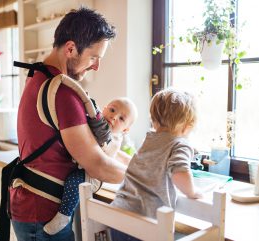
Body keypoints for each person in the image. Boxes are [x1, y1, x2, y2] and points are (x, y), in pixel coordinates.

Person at [11, 7, 127, 241]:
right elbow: (97, 165)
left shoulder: (38, 74)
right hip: (43, 215)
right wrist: (143, 177)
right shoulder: (63, 93)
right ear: (71, 48)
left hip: (30, 207)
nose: (96, 66)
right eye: (93, 57)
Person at [110, 88, 204, 241]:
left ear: (153, 120)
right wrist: (192, 192)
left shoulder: (149, 140)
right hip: (146, 220)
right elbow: (180, 174)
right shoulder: (181, 144)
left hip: (119, 213)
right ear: (188, 126)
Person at [43, 97, 138, 235]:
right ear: (104, 108)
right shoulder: (96, 124)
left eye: (121, 119)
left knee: (73, 181)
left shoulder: (114, 138)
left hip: (92, 176)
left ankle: (64, 215)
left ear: (125, 130)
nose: (114, 117)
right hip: (83, 165)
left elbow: (109, 151)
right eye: (112, 110)